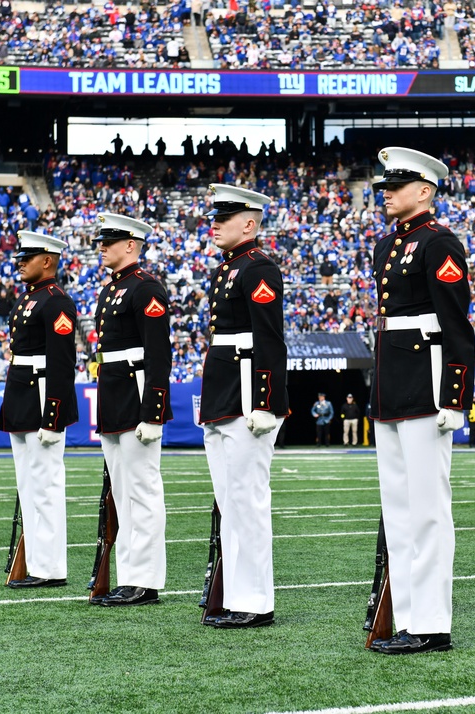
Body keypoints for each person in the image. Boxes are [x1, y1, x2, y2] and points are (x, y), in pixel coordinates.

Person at [367, 147, 474, 655]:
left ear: (426, 191)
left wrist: (455, 396)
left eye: (397, 183)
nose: (386, 191)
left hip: (427, 380)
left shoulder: (439, 243)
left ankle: (431, 622)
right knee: (398, 506)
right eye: (386, 183)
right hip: (392, 378)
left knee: (428, 507)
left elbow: (457, 326)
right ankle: (406, 615)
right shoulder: (387, 246)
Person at [199, 183, 287, 629]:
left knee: (246, 500)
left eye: (224, 217)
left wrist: (265, 403)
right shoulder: (229, 269)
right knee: (228, 499)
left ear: (250, 223)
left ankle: (254, 601)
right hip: (224, 392)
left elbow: (269, 340)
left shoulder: (258, 268)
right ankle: (235, 593)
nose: (213, 224)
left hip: (247, 395)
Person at [90, 212, 172, 606]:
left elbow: (159, 353)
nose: (102, 246)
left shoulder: (145, 288)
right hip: (113, 391)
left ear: (131, 245)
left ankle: (145, 578)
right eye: (101, 240)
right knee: (121, 492)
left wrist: (154, 410)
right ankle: (129, 575)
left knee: (141, 489)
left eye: (110, 240)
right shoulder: (112, 290)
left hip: (136, 391)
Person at [0, 231, 78, 588]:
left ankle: (49, 568)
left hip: (42, 394)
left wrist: (53, 415)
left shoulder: (56, 301)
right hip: (22, 396)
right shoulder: (30, 299)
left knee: (44, 485)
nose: (19, 262)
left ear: (47, 260)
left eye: (26, 257)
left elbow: (62, 363)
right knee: (27, 485)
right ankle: (35, 562)